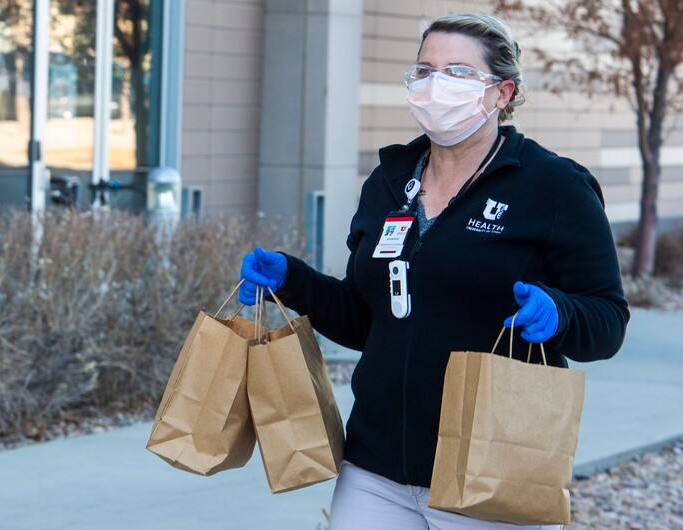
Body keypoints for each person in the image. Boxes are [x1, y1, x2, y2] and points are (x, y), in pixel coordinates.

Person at [239, 13, 629, 530]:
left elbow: (607, 321)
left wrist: (560, 312)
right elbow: (366, 318)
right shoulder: (389, 181)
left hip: (491, 468)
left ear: (500, 92)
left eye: (458, 72)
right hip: (375, 466)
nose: (435, 84)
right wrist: (293, 280)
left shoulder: (554, 187)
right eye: (425, 69)